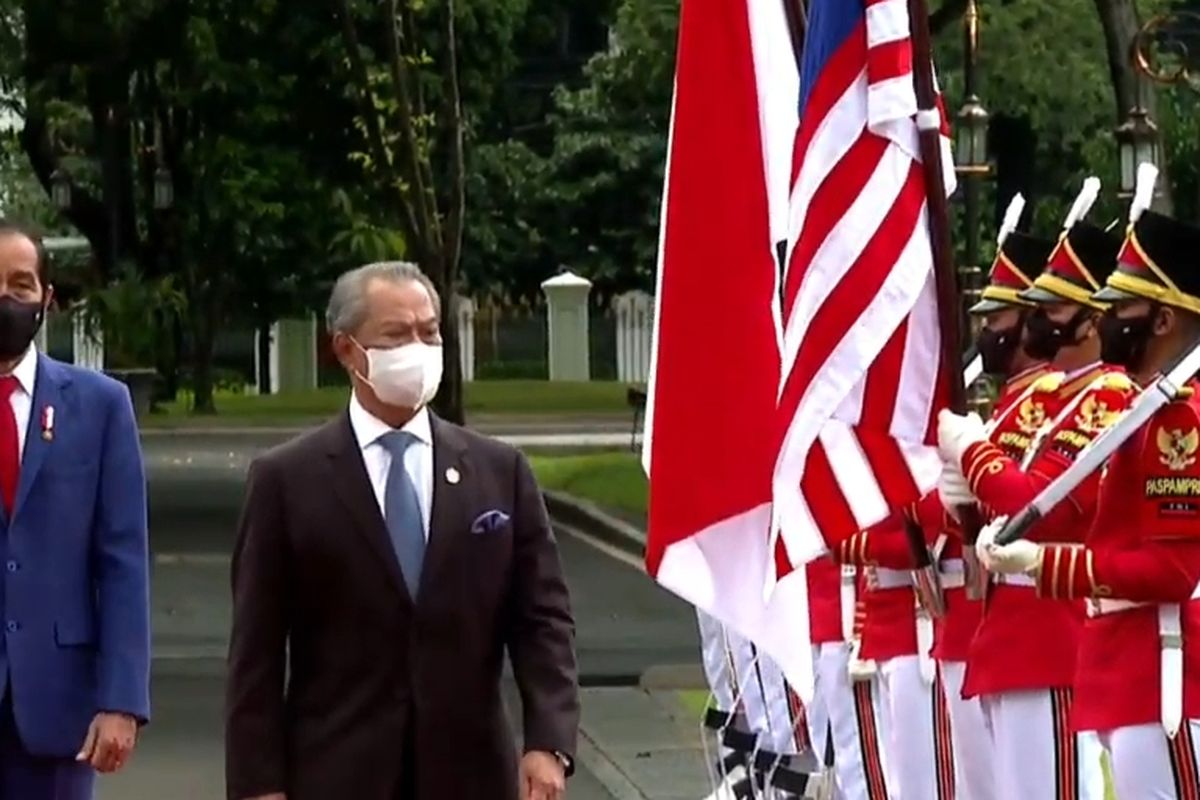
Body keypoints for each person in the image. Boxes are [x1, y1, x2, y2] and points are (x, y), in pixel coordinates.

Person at [225, 261, 580, 800]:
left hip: (472, 774)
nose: (418, 347)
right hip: (336, 771)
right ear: (346, 350)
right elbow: (257, 650)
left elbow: (543, 621)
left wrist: (548, 742)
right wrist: (258, 783)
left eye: (429, 331)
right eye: (396, 334)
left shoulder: (499, 472)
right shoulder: (286, 480)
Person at [981, 195, 1200, 797]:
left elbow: (1171, 570)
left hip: (1162, 676)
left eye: (1121, 306)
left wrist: (1044, 564)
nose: (1105, 321)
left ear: (1163, 319)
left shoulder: (1178, 420)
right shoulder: (1145, 408)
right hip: (1124, 673)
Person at [936, 179, 1131, 800]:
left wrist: (971, 452)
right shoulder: (1059, 399)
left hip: (1050, 634)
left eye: (1052, 307)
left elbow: (1033, 507)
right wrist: (964, 506)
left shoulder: (1107, 397)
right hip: (1011, 632)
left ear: (1091, 319)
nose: (1036, 320)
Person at [0, 222, 150, 798]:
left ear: (47, 300)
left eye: (21, 285)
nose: (8, 299)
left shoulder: (100, 406)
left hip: (59, 708)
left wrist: (122, 700)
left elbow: (122, 561)